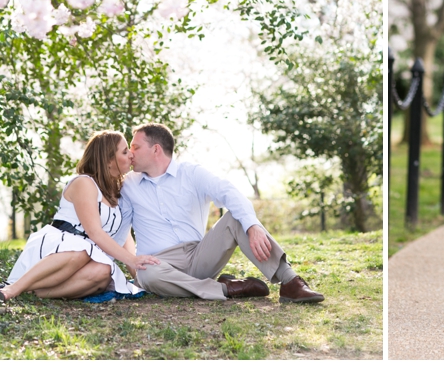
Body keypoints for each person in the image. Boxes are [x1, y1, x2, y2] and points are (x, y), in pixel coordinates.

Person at [117, 123, 324, 303]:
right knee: (147, 273)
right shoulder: (128, 185)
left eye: (135, 146)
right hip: (157, 265)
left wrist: (253, 226)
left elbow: (229, 192)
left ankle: (290, 281)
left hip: (197, 256)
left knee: (236, 218)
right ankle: (229, 289)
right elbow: (118, 230)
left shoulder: (191, 173)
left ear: (156, 150)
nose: (131, 153)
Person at [0, 131, 160, 302]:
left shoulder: (118, 191)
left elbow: (123, 236)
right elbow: (94, 232)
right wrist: (132, 259)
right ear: (108, 160)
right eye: (124, 151)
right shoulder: (84, 182)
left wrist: (139, 276)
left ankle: (34, 293)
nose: (131, 155)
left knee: (103, 271)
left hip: (87, 256)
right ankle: (12, 289)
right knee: (83, 250)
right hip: (59, 246)